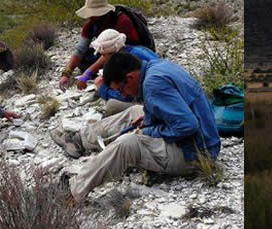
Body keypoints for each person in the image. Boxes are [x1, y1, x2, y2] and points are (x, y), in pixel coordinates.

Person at [61, 52, 221, 203]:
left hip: (195, 154)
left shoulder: (153, 84)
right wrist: (151, 116)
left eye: (120, 89)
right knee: (135, 111)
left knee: (128, 143)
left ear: (129, 78)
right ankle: (81, 140)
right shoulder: (158, 66)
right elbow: (180, 108)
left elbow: (188, 126)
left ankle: (74, 189)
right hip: (203, 141)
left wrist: (150, 130)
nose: (124, 96)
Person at [58, 0, 152, 91]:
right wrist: (67, 73)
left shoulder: (122, 21)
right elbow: (80, 50)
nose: (93, 17)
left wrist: (87, 73)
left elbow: (113, 52)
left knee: (115, 70)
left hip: (130, 54)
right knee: (84, 57)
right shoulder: (91, 24)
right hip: (112, 52)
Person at [74, 29, 160, 115]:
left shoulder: (125, 62)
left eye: (104, 55)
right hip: (157, 89)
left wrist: (102, 88)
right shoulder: (139, 49)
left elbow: (127, 95)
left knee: (112, 105)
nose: (103, 58)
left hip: (153, 100)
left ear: (112, 53)